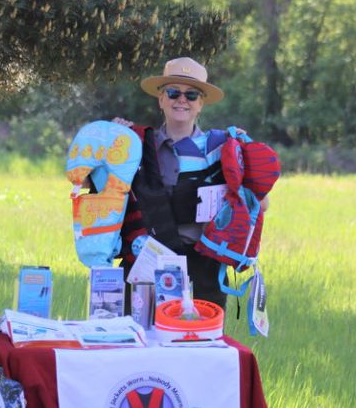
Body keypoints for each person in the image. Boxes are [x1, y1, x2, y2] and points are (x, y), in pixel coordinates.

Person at [113, 57, 269, 312]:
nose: (182, 100)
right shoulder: (134, 144)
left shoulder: (222, 149)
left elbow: (261, 204)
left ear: (201, 104)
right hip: (145, 264)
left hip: (203, 268)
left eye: (192, 95)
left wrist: (244, 166)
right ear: (161, 99)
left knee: (200, 348)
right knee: (138, 347)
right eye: (173, 92)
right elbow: (86, 180)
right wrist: (111, 137)